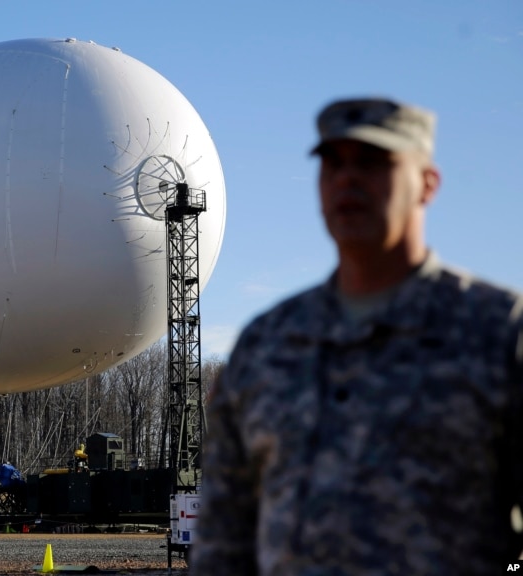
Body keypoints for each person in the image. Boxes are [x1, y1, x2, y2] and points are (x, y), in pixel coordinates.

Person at [190, 97, 523, 575]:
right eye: (333, 163)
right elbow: (224, 542)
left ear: (428, 183)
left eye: (374, 162)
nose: (348, 178)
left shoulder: (497, 332)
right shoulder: (267, 346)